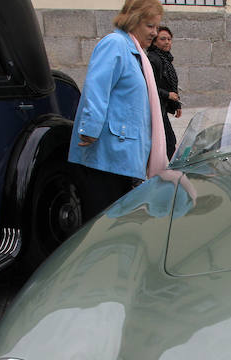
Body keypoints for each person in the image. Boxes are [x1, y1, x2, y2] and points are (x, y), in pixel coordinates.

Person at [68, 0, 168, 216]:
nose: (155, 32)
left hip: (122, 157)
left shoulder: (135, 53)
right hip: (107, 156)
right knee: (101, 224)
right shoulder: (115, 43)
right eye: (150, 26)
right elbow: (96, 87)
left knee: (115, 224)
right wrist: (90, 129)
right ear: (133, 21)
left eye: (156, 27)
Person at [147, 25, 182, 160]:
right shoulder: (153, 59)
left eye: (169, 39)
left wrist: (176, 104)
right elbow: (150, 85)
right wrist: (168, 95)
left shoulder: (165, 59)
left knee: (169, 141)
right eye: (163, 39)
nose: (167, 42)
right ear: (155, 41)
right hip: (155, 108)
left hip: (162, 106)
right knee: (168, 142)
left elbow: (171, 83)